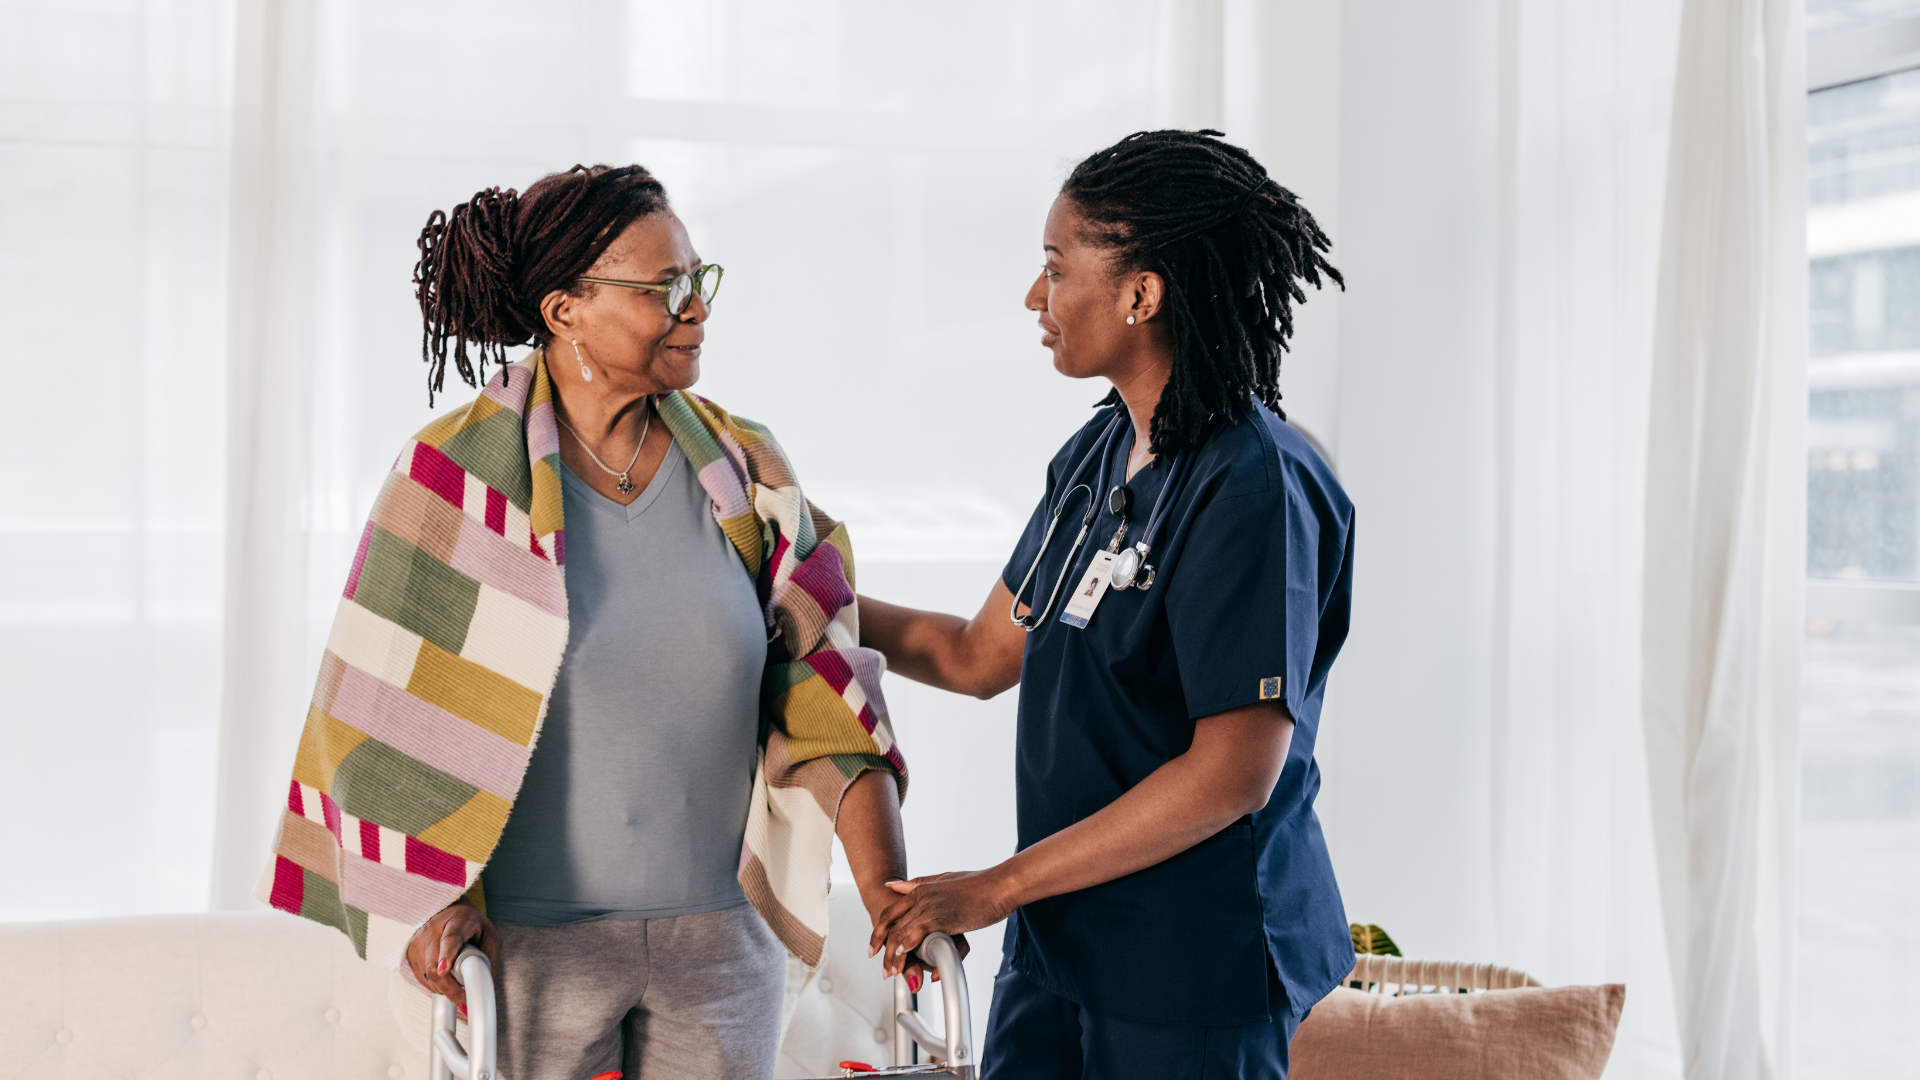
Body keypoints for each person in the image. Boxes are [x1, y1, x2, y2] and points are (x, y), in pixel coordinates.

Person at [258, 164, 916, 1080]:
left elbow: (827, 688)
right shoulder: (452, 476)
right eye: (664, 289)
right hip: (528, 944)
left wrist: (890, 891)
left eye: (699, 280)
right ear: (565, 310)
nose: (696, 308)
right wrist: (427, 905)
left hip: (724, 941)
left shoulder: (745, 470)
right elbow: (376, 708)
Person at [859, 130, 1356, 1080]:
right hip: (1065, 941)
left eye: (1056, 268)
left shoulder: (1255, 485)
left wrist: (994, 889)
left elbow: (1231, 775)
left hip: (1190, 962)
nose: (1034, 298)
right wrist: (807, 597)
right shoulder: (1095, 459)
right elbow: (974, 656)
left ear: (1142, 293)